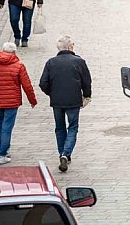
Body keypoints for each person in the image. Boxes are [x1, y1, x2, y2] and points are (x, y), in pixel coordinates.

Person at [39, 35, 92, 172]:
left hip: (57, 101)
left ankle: (62, 153)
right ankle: (65, 153)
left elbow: (43, 83)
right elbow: (86, 81)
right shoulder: (79, 62)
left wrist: (52, 93)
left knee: (59, 127)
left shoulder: (51, 62)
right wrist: (86, 96)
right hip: (73, 100)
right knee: (73, 127)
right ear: (70, 47)